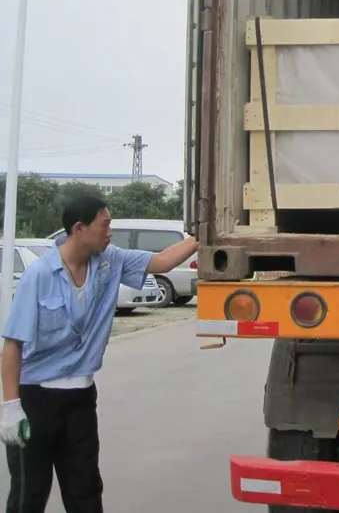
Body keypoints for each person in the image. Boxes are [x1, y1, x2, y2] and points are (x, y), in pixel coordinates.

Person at [0, 194, 197, 513]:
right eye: (105, 225)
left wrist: (203, 237)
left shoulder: (111, 260)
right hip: (36, 400)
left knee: (85, 492)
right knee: (28, 495)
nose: (110, 233)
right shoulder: (39, 276)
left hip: (79, 400)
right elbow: (12, 345)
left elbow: (162, 262)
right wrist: (10, 408)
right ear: (79, 229)